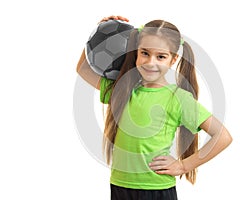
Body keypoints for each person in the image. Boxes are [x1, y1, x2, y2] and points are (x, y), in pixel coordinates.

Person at [76, 15, 232, 200]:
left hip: (157, 189)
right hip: (120, 185)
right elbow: (83, 69)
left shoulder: (178, 98)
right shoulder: (123, 90)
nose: (151, 62)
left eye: (160, 56)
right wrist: (101, 33)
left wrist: (183, 166)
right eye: (144, 53)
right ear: (136, 52)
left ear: (172, 60)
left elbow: (222, 136)